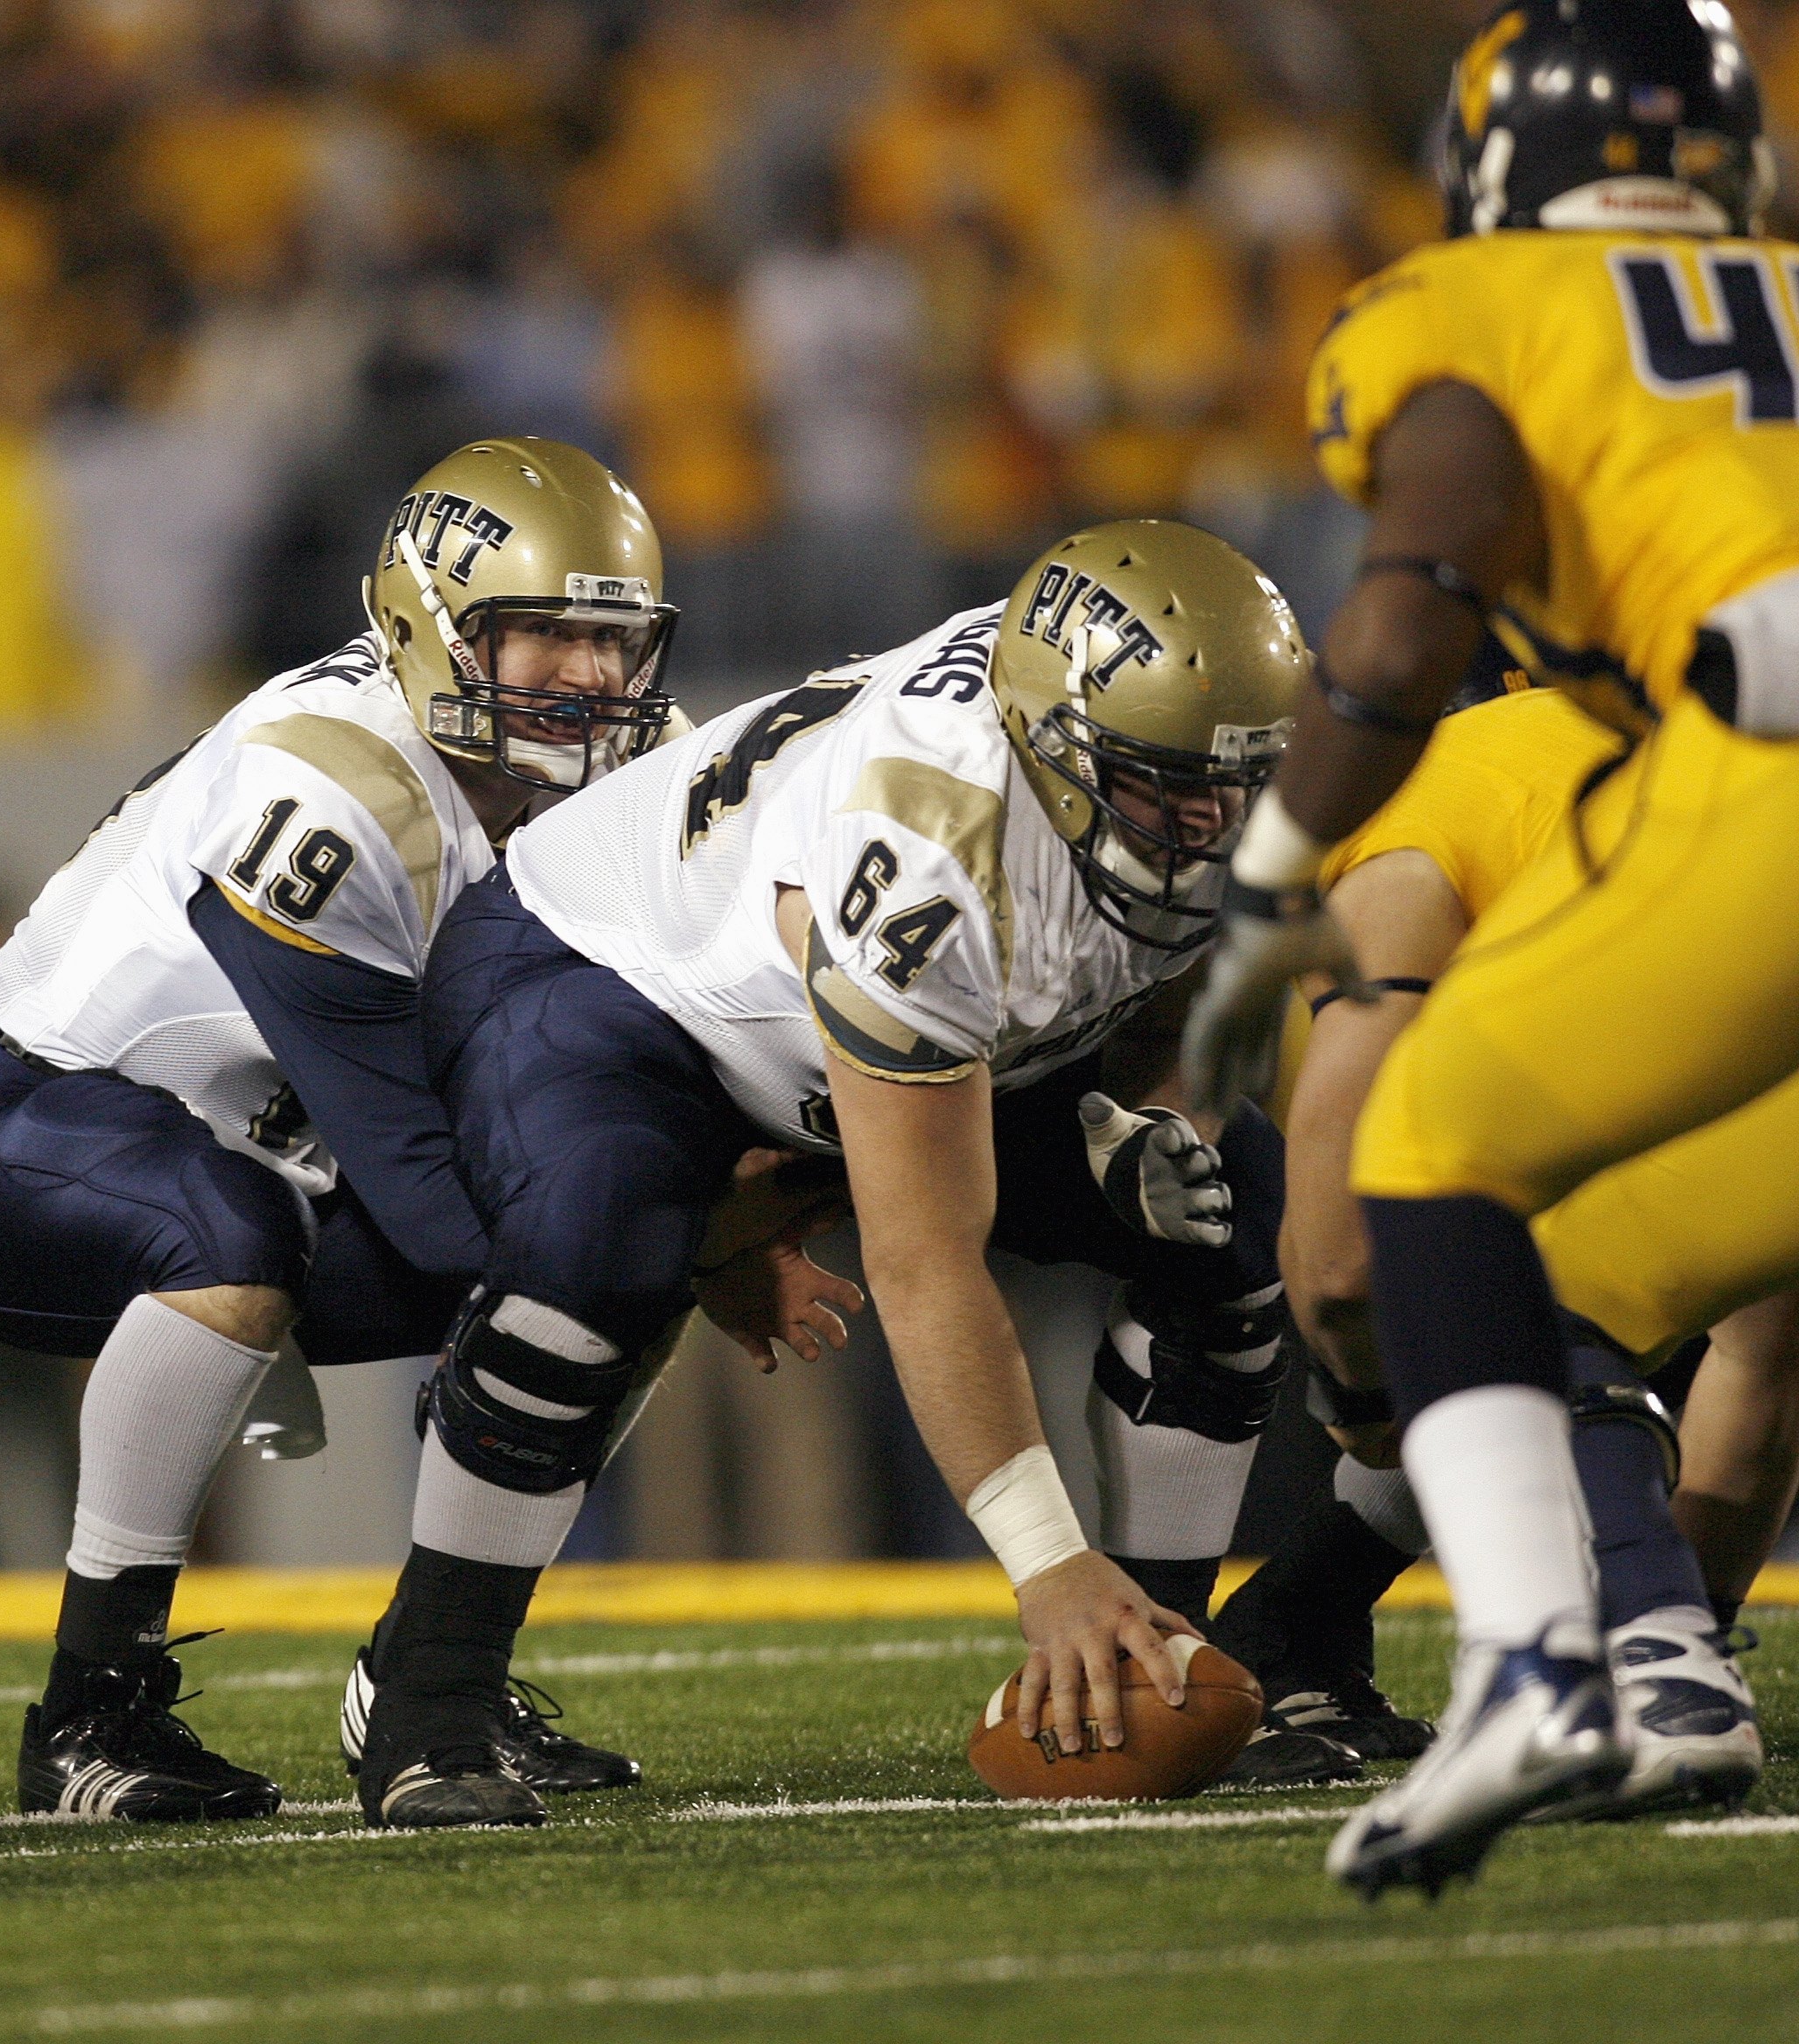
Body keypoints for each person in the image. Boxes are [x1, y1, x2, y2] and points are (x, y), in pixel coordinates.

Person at [346, 519, 1309, 1830]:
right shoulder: (928, 848)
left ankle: (1149, 1663)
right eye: (1166, 786)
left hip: (876, 1035)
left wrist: (1142, 1124)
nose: (1212, 823)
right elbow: (922, 1261)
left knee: (1229, 1217)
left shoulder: (1174, 774)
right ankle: (425, 1698)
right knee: (599, 1256)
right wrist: (1047, 1564)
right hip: (611, 974)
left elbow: (1177, 1001)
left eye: (1238, 784)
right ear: (1055, 747)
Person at [0, 438, 742, 1821]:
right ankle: (89, 1715)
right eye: (546, 636)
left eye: (612, 640)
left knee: (624, 1241)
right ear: (430, 630)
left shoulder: (642, 768)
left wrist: (696, 1229)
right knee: (265, 1231)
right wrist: (703, 1233)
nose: (589, 676)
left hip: (261, 1146)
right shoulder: (331, 786)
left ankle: (434, 1675)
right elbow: (427, 1193)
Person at [1180, 0, 1799, 1896]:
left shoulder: (1473, 308)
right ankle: (1628, 1650)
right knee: (1613, 1257)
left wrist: (1273, 870)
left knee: (1438, 1151)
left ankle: (1537, 1662)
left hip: (1768, 753)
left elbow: (1414, 602)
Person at [1216, 683, 1779, 1813]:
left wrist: (1363, 1389)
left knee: (1496, 1282)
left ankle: (1651, 1663)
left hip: (1698, 1014)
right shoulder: (1658, 750)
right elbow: (1765, 1364)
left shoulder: (1414, 811)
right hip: (1739, 1000)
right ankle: (1659, 1650)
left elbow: (1340, 1260)